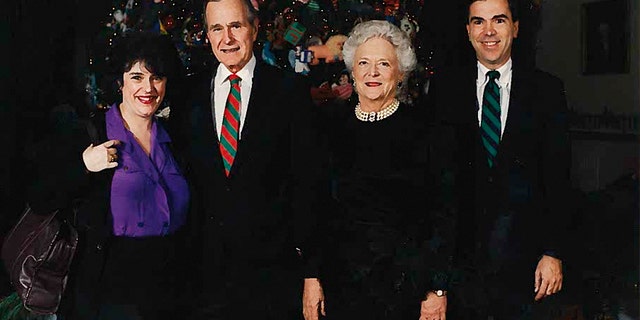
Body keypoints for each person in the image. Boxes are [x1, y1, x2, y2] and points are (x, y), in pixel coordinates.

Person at [177, 0, 327, 318]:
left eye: (236, 26)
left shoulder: (289, 91)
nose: (227, 38)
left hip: (272, 280)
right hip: (203, 282)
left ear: (255, 28)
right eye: (217, 28)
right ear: (206, 34)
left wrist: (312, 273)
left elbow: (309, 185)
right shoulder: (187, 94)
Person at [25, 30, 190, 319]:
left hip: (170, 288)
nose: (148, 88)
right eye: (137, 77)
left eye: (157, 77)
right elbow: (40, 198)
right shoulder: (89, 132)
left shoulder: (176, 138)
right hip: (110, 291)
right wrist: (84, 166)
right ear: (119, 82)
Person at [426, 0, 571, 318]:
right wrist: (437, 280)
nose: (488, 31)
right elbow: (437, 186)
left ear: (516, 28)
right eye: (478, 22)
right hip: (463, 271)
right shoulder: (444, 90)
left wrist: (553, 251)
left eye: (499, 20)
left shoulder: (547, 91)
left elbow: (559, 179)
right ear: (468, 31)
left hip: (528, 269)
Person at [303, 20, 451, 320]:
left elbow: (444, 214)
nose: (372, 72)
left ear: (399, 73)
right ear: (352, 70)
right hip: (340, 289)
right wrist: (312, 278)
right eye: (364, 63)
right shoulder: (329, 128)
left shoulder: (425, 131)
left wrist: (437, 290)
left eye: (384, 63)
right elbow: (315, 210)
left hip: (406, 290)